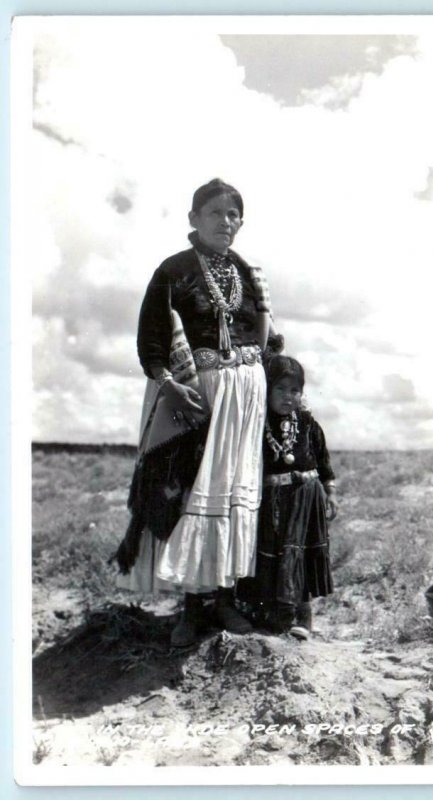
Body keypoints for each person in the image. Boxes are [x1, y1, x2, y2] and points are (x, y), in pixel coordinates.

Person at [113, 178, 282, 647]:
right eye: (214, 213)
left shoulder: (250, 273)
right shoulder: (173, 271)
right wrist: (168, 388)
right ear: (193, 219)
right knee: (193, 494)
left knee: (233, 494)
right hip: (198, 397)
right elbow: (151, 341)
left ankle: (225, 601)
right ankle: (191, 608)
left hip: (246, 397)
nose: (225, 222)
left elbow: (269, 338)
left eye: (233, 215)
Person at [239, 355, 338, 640]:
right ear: (267, 390)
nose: (288, 396)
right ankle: (276, 613)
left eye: (295, 390)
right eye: (281, 389)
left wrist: (331, 492)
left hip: (307, 497)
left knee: (302, 554)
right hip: (272, 498)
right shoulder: (258, 424)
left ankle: (303, 616)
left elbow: (323, 459)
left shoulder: (307, 422)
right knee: (273, 553)